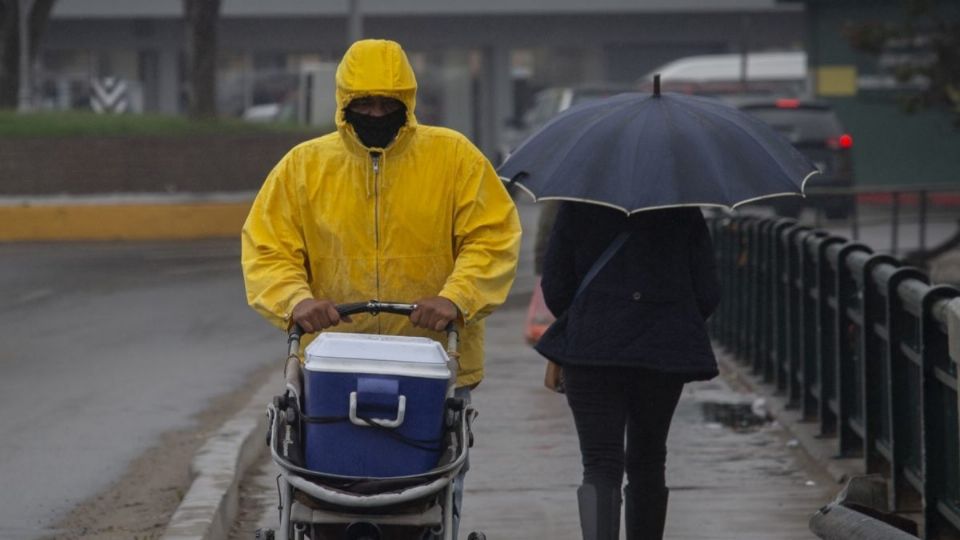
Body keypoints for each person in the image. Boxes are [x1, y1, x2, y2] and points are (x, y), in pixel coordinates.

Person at [240, 39, 521, 538]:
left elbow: (492, 239)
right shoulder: (304, 167)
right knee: (326, 487)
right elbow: (268, 249)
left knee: (424, 496)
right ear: (343, 105)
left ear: (406, 103)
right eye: (363, 103)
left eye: (386, 103)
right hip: (332, 366)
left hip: (432, 360)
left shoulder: (454, 158)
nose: (375, 113)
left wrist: (456, 298)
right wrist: (296, 301)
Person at [535, 203, 720, 540]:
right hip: (661, 352)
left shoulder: (579, 206)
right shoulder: (681, 208)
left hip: (592, 352)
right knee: (649, 461)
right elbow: (708, 292)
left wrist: (592, 315)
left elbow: (556, 288)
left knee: (599, 463)